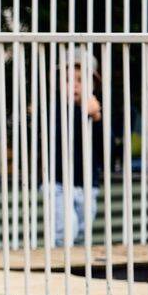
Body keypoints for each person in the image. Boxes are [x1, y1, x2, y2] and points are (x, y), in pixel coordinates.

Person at [46, 49, 105, 247]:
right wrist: (81, 114)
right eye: (68, 79)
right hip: (58, 183)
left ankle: (76, 273)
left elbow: (106, 150)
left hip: (87, 185)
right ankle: (59, 271)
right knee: (65, 230)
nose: (75, 85)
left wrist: (96, 119)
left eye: (81, 79)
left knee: (81, 232)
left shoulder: (96, 112)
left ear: (93, 85)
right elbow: (60, 135)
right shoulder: (55, 110)